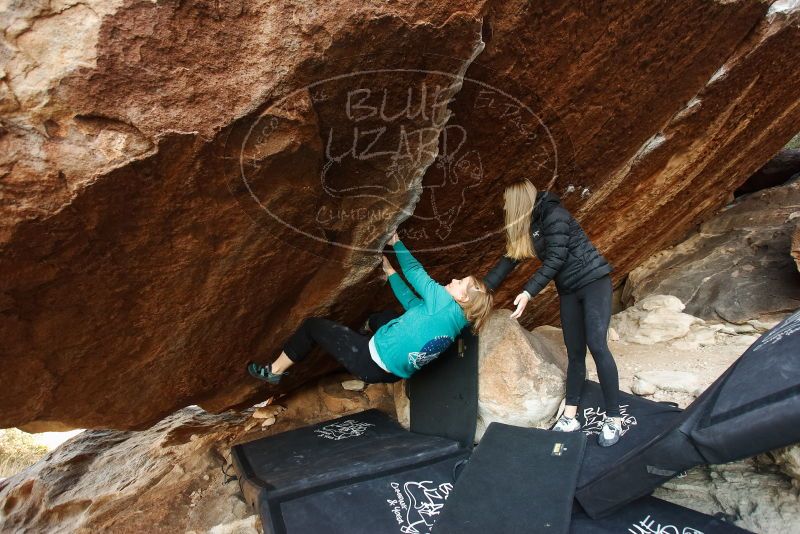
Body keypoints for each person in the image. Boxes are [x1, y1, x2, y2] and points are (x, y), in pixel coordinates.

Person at [248, 232, 493, 385]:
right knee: (384, 317)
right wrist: (390, 273)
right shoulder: (456, 321)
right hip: (393, 374)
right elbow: (411, 304)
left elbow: (416, 272)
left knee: (312, 327)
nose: (454, 280)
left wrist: (396, 242)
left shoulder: (443, 302)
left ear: (464, 298)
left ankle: (274, 371)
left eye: (461, 283)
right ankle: (368, 325)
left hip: (369, 361)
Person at [485, 179, 622, 446]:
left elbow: (556, 258)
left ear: (516, 202)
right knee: (574, 353)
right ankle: (570, 416)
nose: (503, 206)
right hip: (569, 290)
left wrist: (528, 292)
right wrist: (481, 289)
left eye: (505, 201)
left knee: (597, 344)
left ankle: (614, 419)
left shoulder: (554, 214)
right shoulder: (525, 226)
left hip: (593, 281)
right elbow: (508, 260)